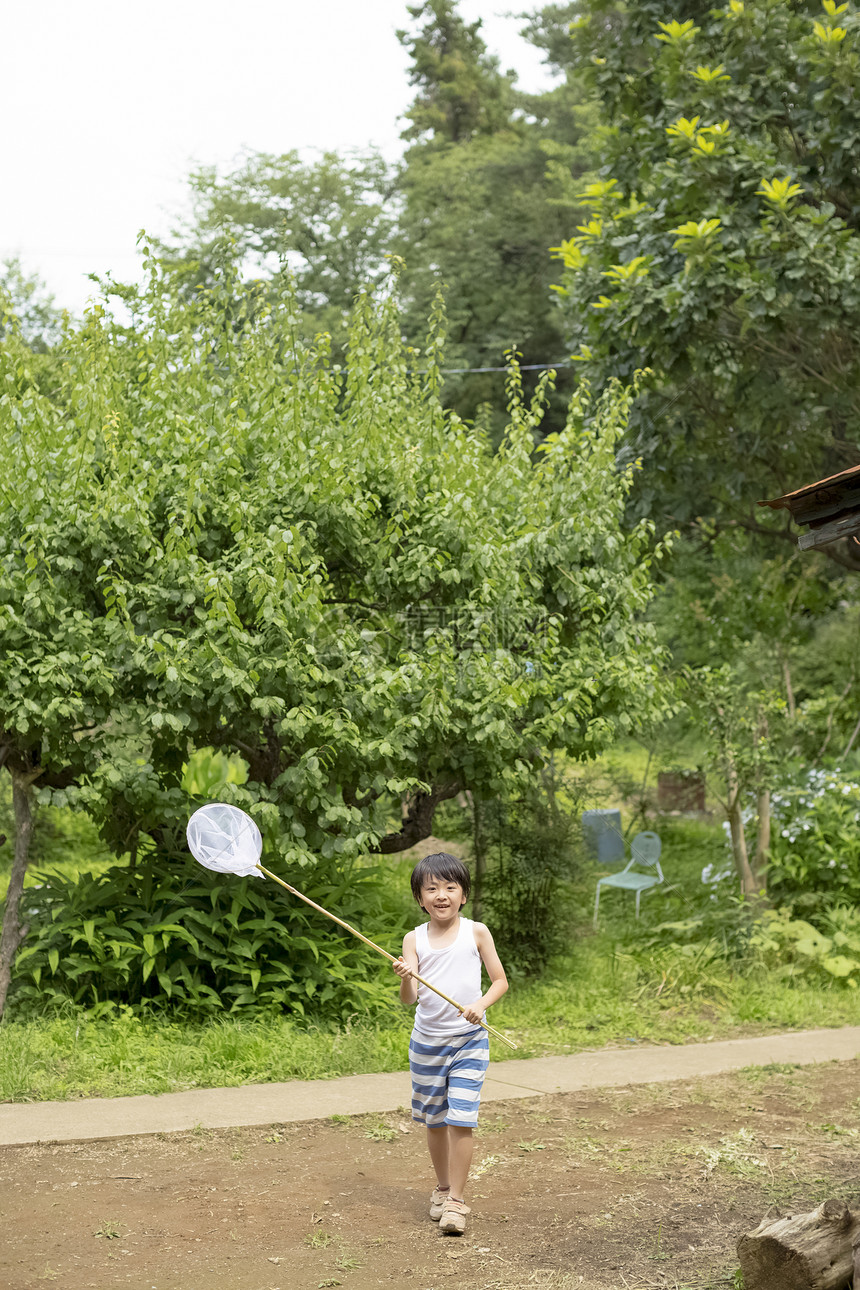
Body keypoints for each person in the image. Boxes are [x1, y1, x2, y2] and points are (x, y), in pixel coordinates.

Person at [392, 852, 508, 1235]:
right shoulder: (414, 938)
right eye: (431, 888)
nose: (441, 895)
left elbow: (499, 982)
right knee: (435, 1121)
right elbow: (408, 999)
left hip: (469, 1042)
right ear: (420, 898)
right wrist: (407, 976)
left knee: (461, 1118)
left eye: (450, 887)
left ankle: (457, 1202)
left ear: (463, 895)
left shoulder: (477, 932)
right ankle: (441, 1189)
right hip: (426, 1044)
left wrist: (479, 1005)